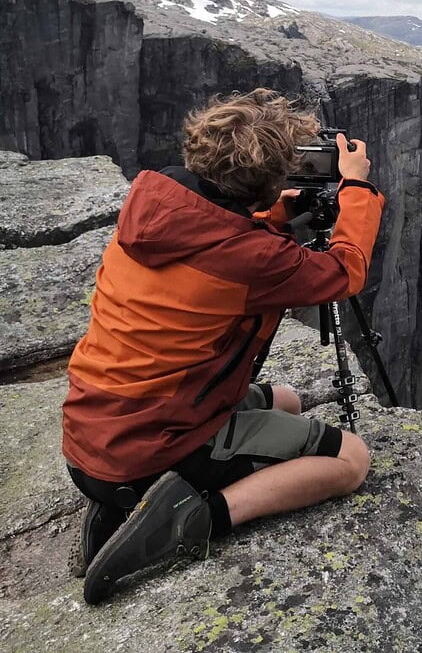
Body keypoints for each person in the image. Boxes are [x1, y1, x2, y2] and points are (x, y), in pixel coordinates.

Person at [61, 88, 385, 604]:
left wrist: (278, 214)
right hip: (151, 443)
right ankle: (190, 518)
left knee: (288, 399)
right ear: (271, 179)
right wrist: (356, 191)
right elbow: (344, 272)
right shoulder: (254, 261)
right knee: (351, 460)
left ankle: (128, 497)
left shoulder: (157, 198)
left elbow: (218, 236)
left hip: (95, 430)